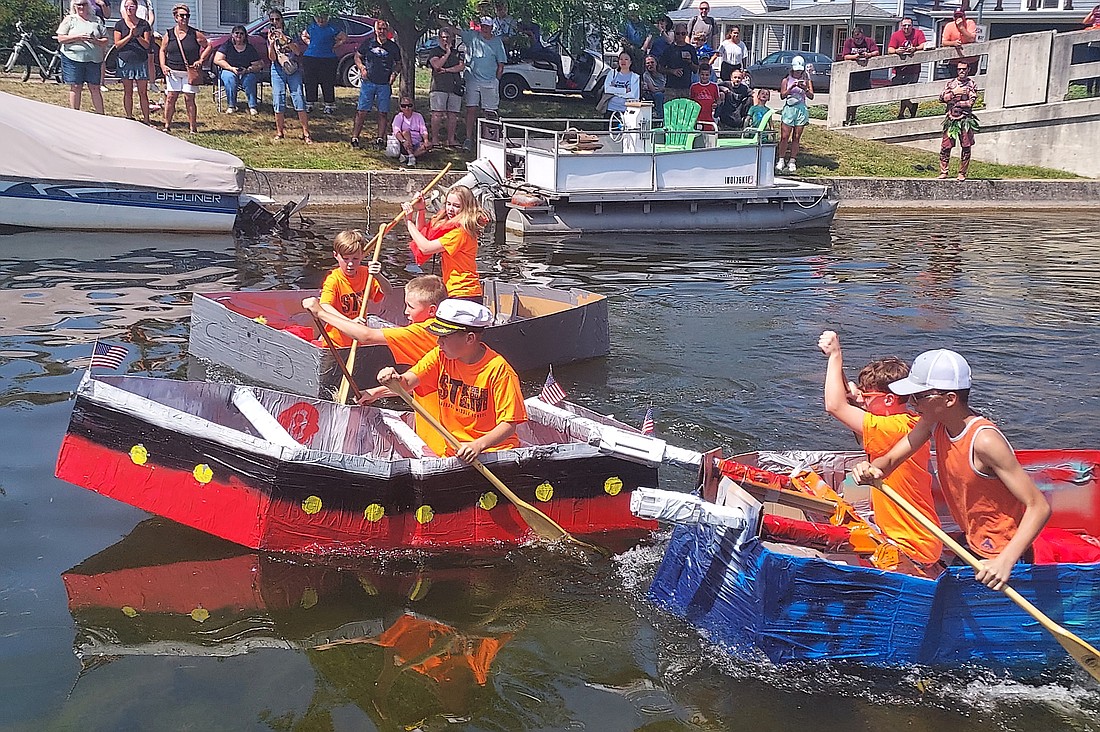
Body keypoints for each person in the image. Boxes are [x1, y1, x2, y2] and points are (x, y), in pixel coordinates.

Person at [851, 349, 1051, 591]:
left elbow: (1038, 506)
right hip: (972, 543)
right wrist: (872, 469)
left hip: (1003, 555)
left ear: (949, 399)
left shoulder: (985, 442)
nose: (912, 403)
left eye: (919, 396)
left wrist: (1004, 562)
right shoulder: (933, 422)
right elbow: (891, 459)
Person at [818, 331, 943, 569]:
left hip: (912, 546)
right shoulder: (908, 421)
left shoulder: (892, 428)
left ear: (888, 401)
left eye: (868, 396)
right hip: (904, 538)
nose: (863, 401)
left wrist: (835, 355)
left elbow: (834, 405)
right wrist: (857, 396)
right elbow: (849, 403)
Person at [303, 275, 449, 456]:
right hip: (434, 426)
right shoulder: (441, 330)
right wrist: (376, 392)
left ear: (432, 310)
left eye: (410, 306)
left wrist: (321, 313)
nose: (405, 312)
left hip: (440, 434)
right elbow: (422, 381)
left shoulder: (421, 332)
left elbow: (366, 336)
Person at [377, 298, 527, 462]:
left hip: (494, 455)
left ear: (470, 338)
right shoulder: (440, 356)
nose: (439, 342)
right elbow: (407, 382)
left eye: (445, 337)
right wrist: (394, 378)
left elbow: (509, 424)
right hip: (455, 453)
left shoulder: (499, 370)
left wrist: (478, 445)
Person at [403, 185, 484, 303]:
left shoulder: (461, 233)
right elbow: (424, 236)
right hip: (454, 291)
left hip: (463, 292)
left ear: (466, 208)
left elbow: (426, 248)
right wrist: (421, 210)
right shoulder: (451, 227)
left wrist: (409, 222)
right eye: (448, 204)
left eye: (456, 206)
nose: (450, 209)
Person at [317, 229, 392, 348]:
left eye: (355, 259)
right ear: (336, 256)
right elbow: (325, 306)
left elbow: (388, 291)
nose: (350, 264)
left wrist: (378, 275)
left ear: (362, 255)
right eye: (345, 259)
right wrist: (350, 324)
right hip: (336, 343)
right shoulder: (334, 279)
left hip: (359, 341)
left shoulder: (366, 273)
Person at [351, 18, 401, 149]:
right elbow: (357, 56)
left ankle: (380, 138)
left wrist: (394, 74)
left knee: (382, 112)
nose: (382, 31)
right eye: (379, 29)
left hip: (384, 84)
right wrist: (362, 68)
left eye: (384, 29)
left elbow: (399, 63)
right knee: (362, 111)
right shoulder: (368, 43)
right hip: (368, 82)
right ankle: (355, 137)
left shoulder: (392, 46)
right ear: (375, 30)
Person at [159, 3, 209, 133]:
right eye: (182, 16)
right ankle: (167, 125)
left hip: (189, 71)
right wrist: (163, 65)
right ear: (175, 17)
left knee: (189, 98)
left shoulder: (195, 34)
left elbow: (208, 46)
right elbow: (162, 50)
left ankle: (193, 127)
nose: (185, 18)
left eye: (187, 16)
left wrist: (201, 60)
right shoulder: (169, 34)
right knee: (171, 97)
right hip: (173, 71)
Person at [461, 17, 507, 152]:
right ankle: (468, 139)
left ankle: (490, 140)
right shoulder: (473, 37)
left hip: (490, 80)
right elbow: (456, 31)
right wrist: (439, 19)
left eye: (487, 26)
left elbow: (501, 64)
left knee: (490, 111)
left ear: (491, 27)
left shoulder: (497, 42)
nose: (485, 29)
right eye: (483, 26)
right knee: (471, 109)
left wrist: (496, 79)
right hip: (473, 79)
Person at [57, 0, 109, 114]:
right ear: (74, 6)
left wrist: (96, 41)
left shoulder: (96, 20)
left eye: (84, 4)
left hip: (94, 59)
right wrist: (78, 37)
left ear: (88, 6)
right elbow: (61, 38)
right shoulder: (69, 19)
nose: (81, 7)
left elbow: (105, 39)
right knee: (76, 86)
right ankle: (75, 114)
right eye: (78, 4)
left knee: (95, 87)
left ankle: (101, 115)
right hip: (73, 58)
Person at [267, 8, 311, 143]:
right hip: (278, 70)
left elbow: (297, 51)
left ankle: (306, 133)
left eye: (277, 19)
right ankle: (280, 132)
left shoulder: (291, 33)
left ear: (282, 20)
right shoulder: (269, 35)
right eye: (272, 20)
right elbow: (272, 58)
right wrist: (272, 43)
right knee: (278, 98)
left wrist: (284, 39)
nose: (275, 22)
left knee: (298, 97)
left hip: (293, 69)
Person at [113, 0, 152, 123]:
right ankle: (129, 116)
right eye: (127, 7)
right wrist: (129, 36)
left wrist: (137, 35)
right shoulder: (119, 24)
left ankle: (146, 119)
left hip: (140, 60)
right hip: (125, 60)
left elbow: (146, 45)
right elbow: (117, 45)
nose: (129, 9)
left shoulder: (144, 24)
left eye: (132, 6)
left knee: (142, 92)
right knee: (127, 91)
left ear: (136, 7)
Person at [938, 61, 978, 181]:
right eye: (960, 69)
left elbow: (971, 102)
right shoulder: (951, 83)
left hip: (965, 119)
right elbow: (941, 98)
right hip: (951, 118)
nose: (962, 71)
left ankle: (962, 173)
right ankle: (944, 171)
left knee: (966, 146)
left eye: (964, 69)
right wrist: (954, 93)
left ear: (968, 70)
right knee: (946, 146)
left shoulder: (971, 84)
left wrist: (959, 102)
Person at [301, 10, 346, 115]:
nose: (321, 20)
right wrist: (310, 44)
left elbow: (343, 38)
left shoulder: (332, 28)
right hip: (311, 57)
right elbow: (304, 36)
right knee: (310, 81)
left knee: (328, 81)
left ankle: (329, 104)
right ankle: (310, 103)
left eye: (323, 18)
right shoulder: (311, 27)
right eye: (318, 18)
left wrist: (334, 46)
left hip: (328, 58)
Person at [213, 25, 262, 115]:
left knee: (250, 79)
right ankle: (231, 106)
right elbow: (217, 59)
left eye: (241, 33)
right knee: (229, 78)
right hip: (229, 70)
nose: (239, 35)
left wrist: (247, 70)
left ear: (245, 36)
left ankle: (252, 106)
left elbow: (259, 64)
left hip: (246, 71)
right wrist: (231, 68)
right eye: (236, 33)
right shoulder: (227, 45)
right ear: (232, 35)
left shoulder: (250, 48)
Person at [429, 27, 465, 148]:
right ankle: (435, 139)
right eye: (443, 37)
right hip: (439, 87)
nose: (446, 40)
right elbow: (437, 65)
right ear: (439, 38)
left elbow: (460, 67)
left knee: (453, 114)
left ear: (452, 38)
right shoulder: (435, 51)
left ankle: (451, 139)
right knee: (437, 113)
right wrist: (447, 53)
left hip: (454, 86)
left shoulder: (457, 52)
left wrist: (446, 70)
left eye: (448, 37)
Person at [777, 55, 812, 174]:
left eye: (800, 70)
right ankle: (781, 159)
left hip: (801, 108)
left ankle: (792, 160)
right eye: (796, 70)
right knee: (784, 136)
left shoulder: (807, 80)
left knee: (796, 137)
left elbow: (811, 96)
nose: (798, 72)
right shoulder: (786, 80)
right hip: (789, 108)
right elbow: (782, 95)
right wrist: (791, 87)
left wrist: (805, 88)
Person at [887, 18, 928, 119]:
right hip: (899, 69)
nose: (906, 27)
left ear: (912, 25)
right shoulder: (896, 35)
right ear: (901, 26)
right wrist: (897, 50)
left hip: (914, 69)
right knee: (898, 91)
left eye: (909, 25)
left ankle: (901, 114)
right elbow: (890, 49)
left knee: (906, 92)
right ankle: (911, 106)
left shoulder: (918, 33)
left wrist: (915, 48)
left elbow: (924, 45)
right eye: (904, 25)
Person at [840, 26, 880, 126]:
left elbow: (876, 52)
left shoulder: (869, 41)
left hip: (864, 75)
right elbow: (845, 56)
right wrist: (855, 57)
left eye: (860, 38)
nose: (858, 40)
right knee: (849, 97)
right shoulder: (848, 42)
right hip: (852, 75)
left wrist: (868, 55)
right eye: (856, 38)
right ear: (853, 37)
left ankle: (854, 118)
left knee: (860, 97)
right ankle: (846, 118)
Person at [658, 24, 697, 101]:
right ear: (674, 34)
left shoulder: (691, 49)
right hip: (671, 88)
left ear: (686, 34)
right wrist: (672, 71)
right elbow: (659, 68)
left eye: (683, 33)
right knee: (670, 112)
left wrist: (690, 62)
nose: (680, 36)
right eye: (678, 33)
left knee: (684, 112)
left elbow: (696, 69)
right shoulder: (669, 49)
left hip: (686, 88)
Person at [392, 97, 430, 166]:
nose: (407, 108)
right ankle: (410, 155)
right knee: (406, 132)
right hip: (404, 143)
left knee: (429, 145)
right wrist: (403, 141)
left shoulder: (418, 116)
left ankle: (409, 157)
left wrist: (426, 141)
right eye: (404, 106)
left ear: (413, 106)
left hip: (417, 142)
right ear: (400, 107)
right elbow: (396, 131)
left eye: (409, 106)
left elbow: (423, 130)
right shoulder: (399, 117)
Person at [602, 51, 640, 118]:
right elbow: (607, 89)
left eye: (626, 59)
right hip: (610, 108)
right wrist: (624, 90)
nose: (623, 61)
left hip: (626, 110)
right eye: (621, 59)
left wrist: (614, 91)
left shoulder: (635, 77)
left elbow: (633, 95)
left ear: (631, 62)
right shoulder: (612, 73)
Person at [941, 9, 978, 75]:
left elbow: (971, 39)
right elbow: (944, 42)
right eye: (956, 16)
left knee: (969, 82)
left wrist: (961, 27)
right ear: (953, 17)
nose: (958, 18)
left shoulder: (970, 23)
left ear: (964, 16)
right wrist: (953, 43)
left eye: (960, 16)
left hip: (970, 60)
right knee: (954, 82)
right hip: (955, 61)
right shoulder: (949, 25)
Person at [689, 63, 720, 127]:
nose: (704, 77)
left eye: (707, 75)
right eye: (702, 75)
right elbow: (691, 101)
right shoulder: (694, 86)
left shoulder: (714, 86)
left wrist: (715, 105)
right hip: (697, 117)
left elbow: (718, 100)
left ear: (710, 75)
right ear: (699, 74)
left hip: (709, 117)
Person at [1081, 5, 1100, 96]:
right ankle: (1088, 90)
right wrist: (1092, 12)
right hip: (1093, 46)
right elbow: (1085, 22)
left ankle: (1097, 90)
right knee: (1090, 68)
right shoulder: (1095, 17)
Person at [641, 53, 666, 121]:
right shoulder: (646, 75)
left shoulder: (662, 74)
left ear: (656, 63)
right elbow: (653, 89)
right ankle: (659, 116)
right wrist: (663, 89)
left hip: (666, 93)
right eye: (647, 63)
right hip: (653, 94)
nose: (650, 64)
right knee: (659, 95)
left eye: (652, 62)